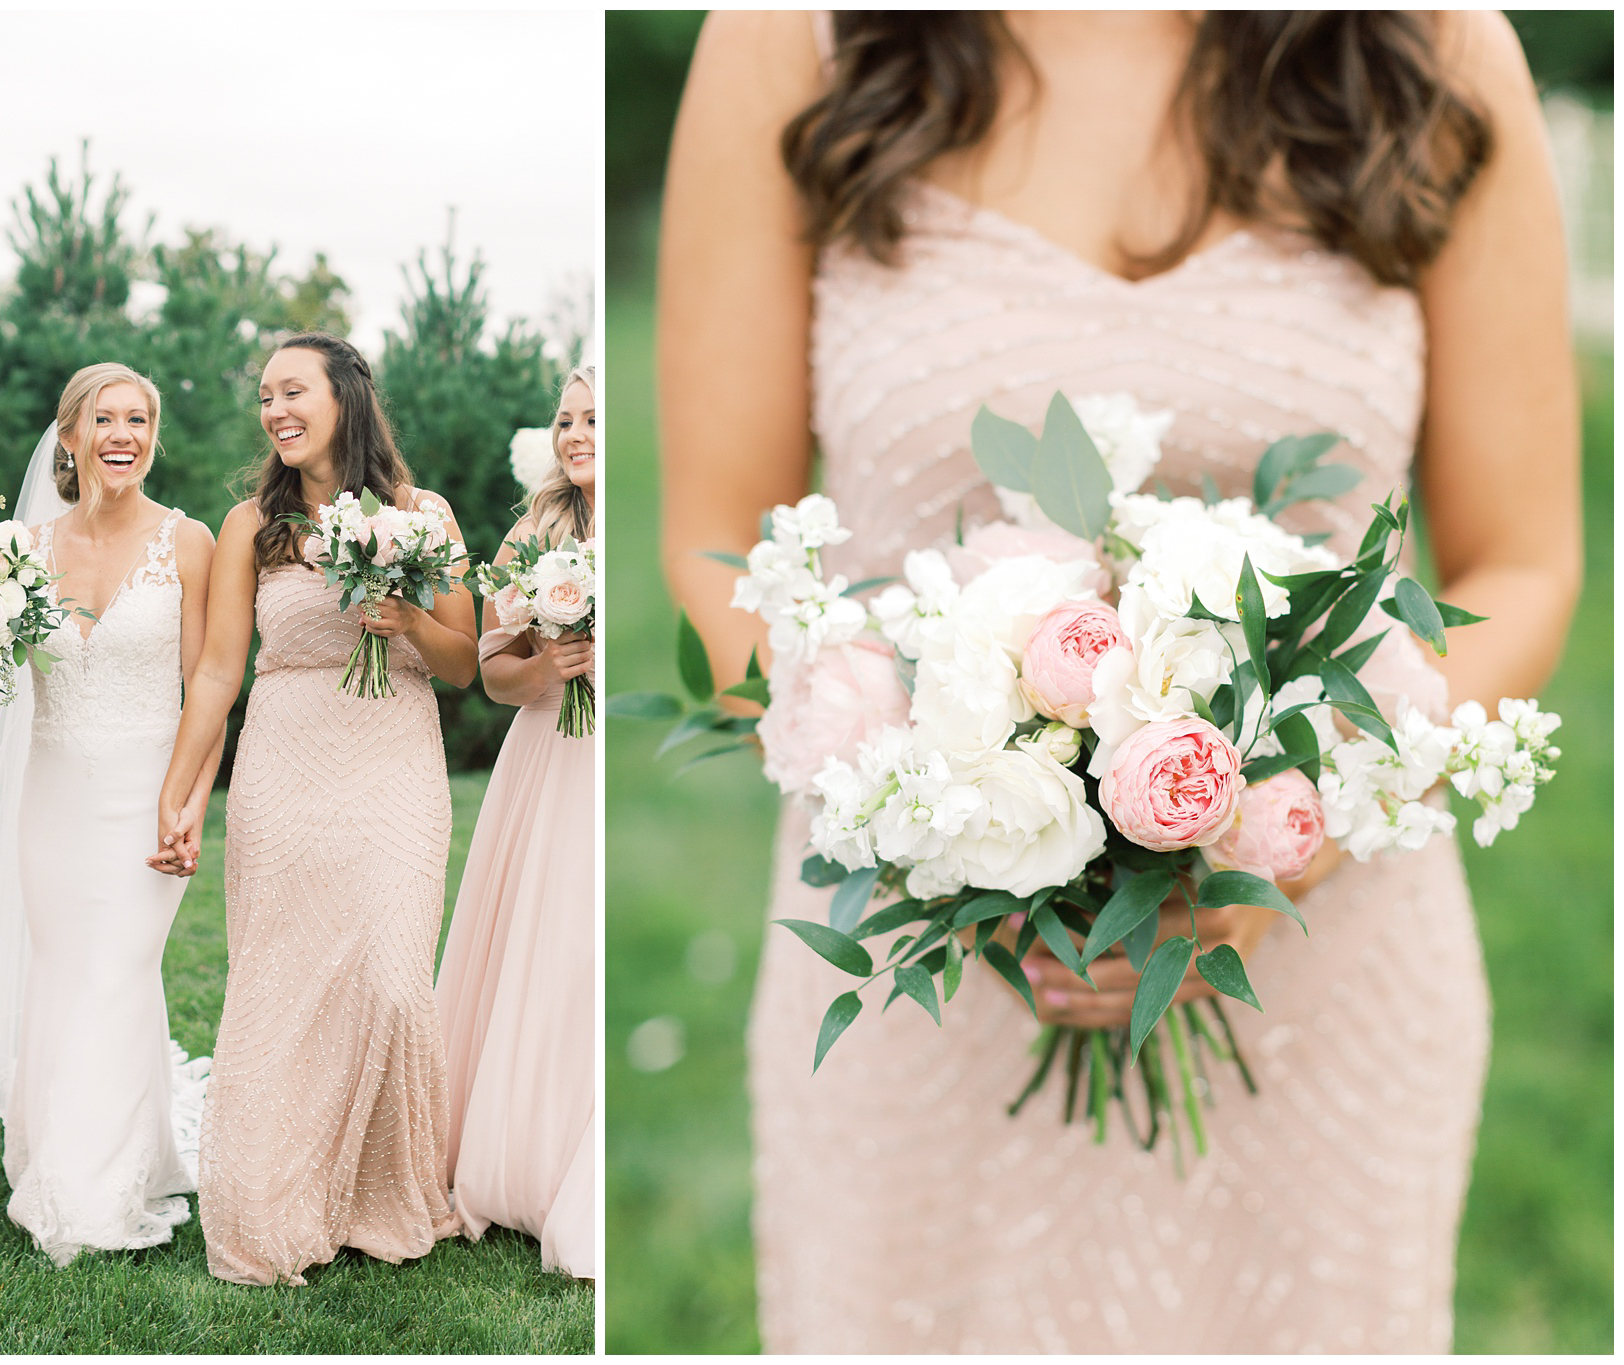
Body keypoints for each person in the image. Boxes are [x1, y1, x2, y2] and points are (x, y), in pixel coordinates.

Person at [659, 12, 1579, 1352]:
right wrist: (948, 843)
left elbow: (1525, 562)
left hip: (1321, 970)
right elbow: (718, 548)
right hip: (923, 985)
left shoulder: (1430, 44)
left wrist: (1293, 823)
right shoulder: (789, 40)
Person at [157, 332, 477, 1285]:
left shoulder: (422, 513)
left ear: (345, 396)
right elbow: (219, 670)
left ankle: (378, 1192)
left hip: (392, 756)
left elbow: (464, 664)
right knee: (283, 980)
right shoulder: (250, 523)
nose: (275, 411)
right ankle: (271, 1201)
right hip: (285, 760)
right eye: (265, 396)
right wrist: (181, 788)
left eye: (291, 391)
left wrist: (407, 619)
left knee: (390, 977)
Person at [0, 362, 218, 1267]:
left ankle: (88, 1194)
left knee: (117, 969)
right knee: (69, 972)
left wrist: (189, 803)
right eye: (105, 419)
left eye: (138, 419)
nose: (123, 435)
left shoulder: (189, 542)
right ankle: (78, 1149)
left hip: (149, 794)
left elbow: (209, 685)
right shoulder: (21, 551)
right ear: (70, 437)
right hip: (53, 798)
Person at [436, 365, 596, 1278]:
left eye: (593, 419)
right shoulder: (534, 533)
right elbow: (495, 674)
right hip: (551, 754)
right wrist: (551, 668)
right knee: (547, 939)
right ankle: (520, 1147)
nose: (574, 434)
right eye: (564, 419)